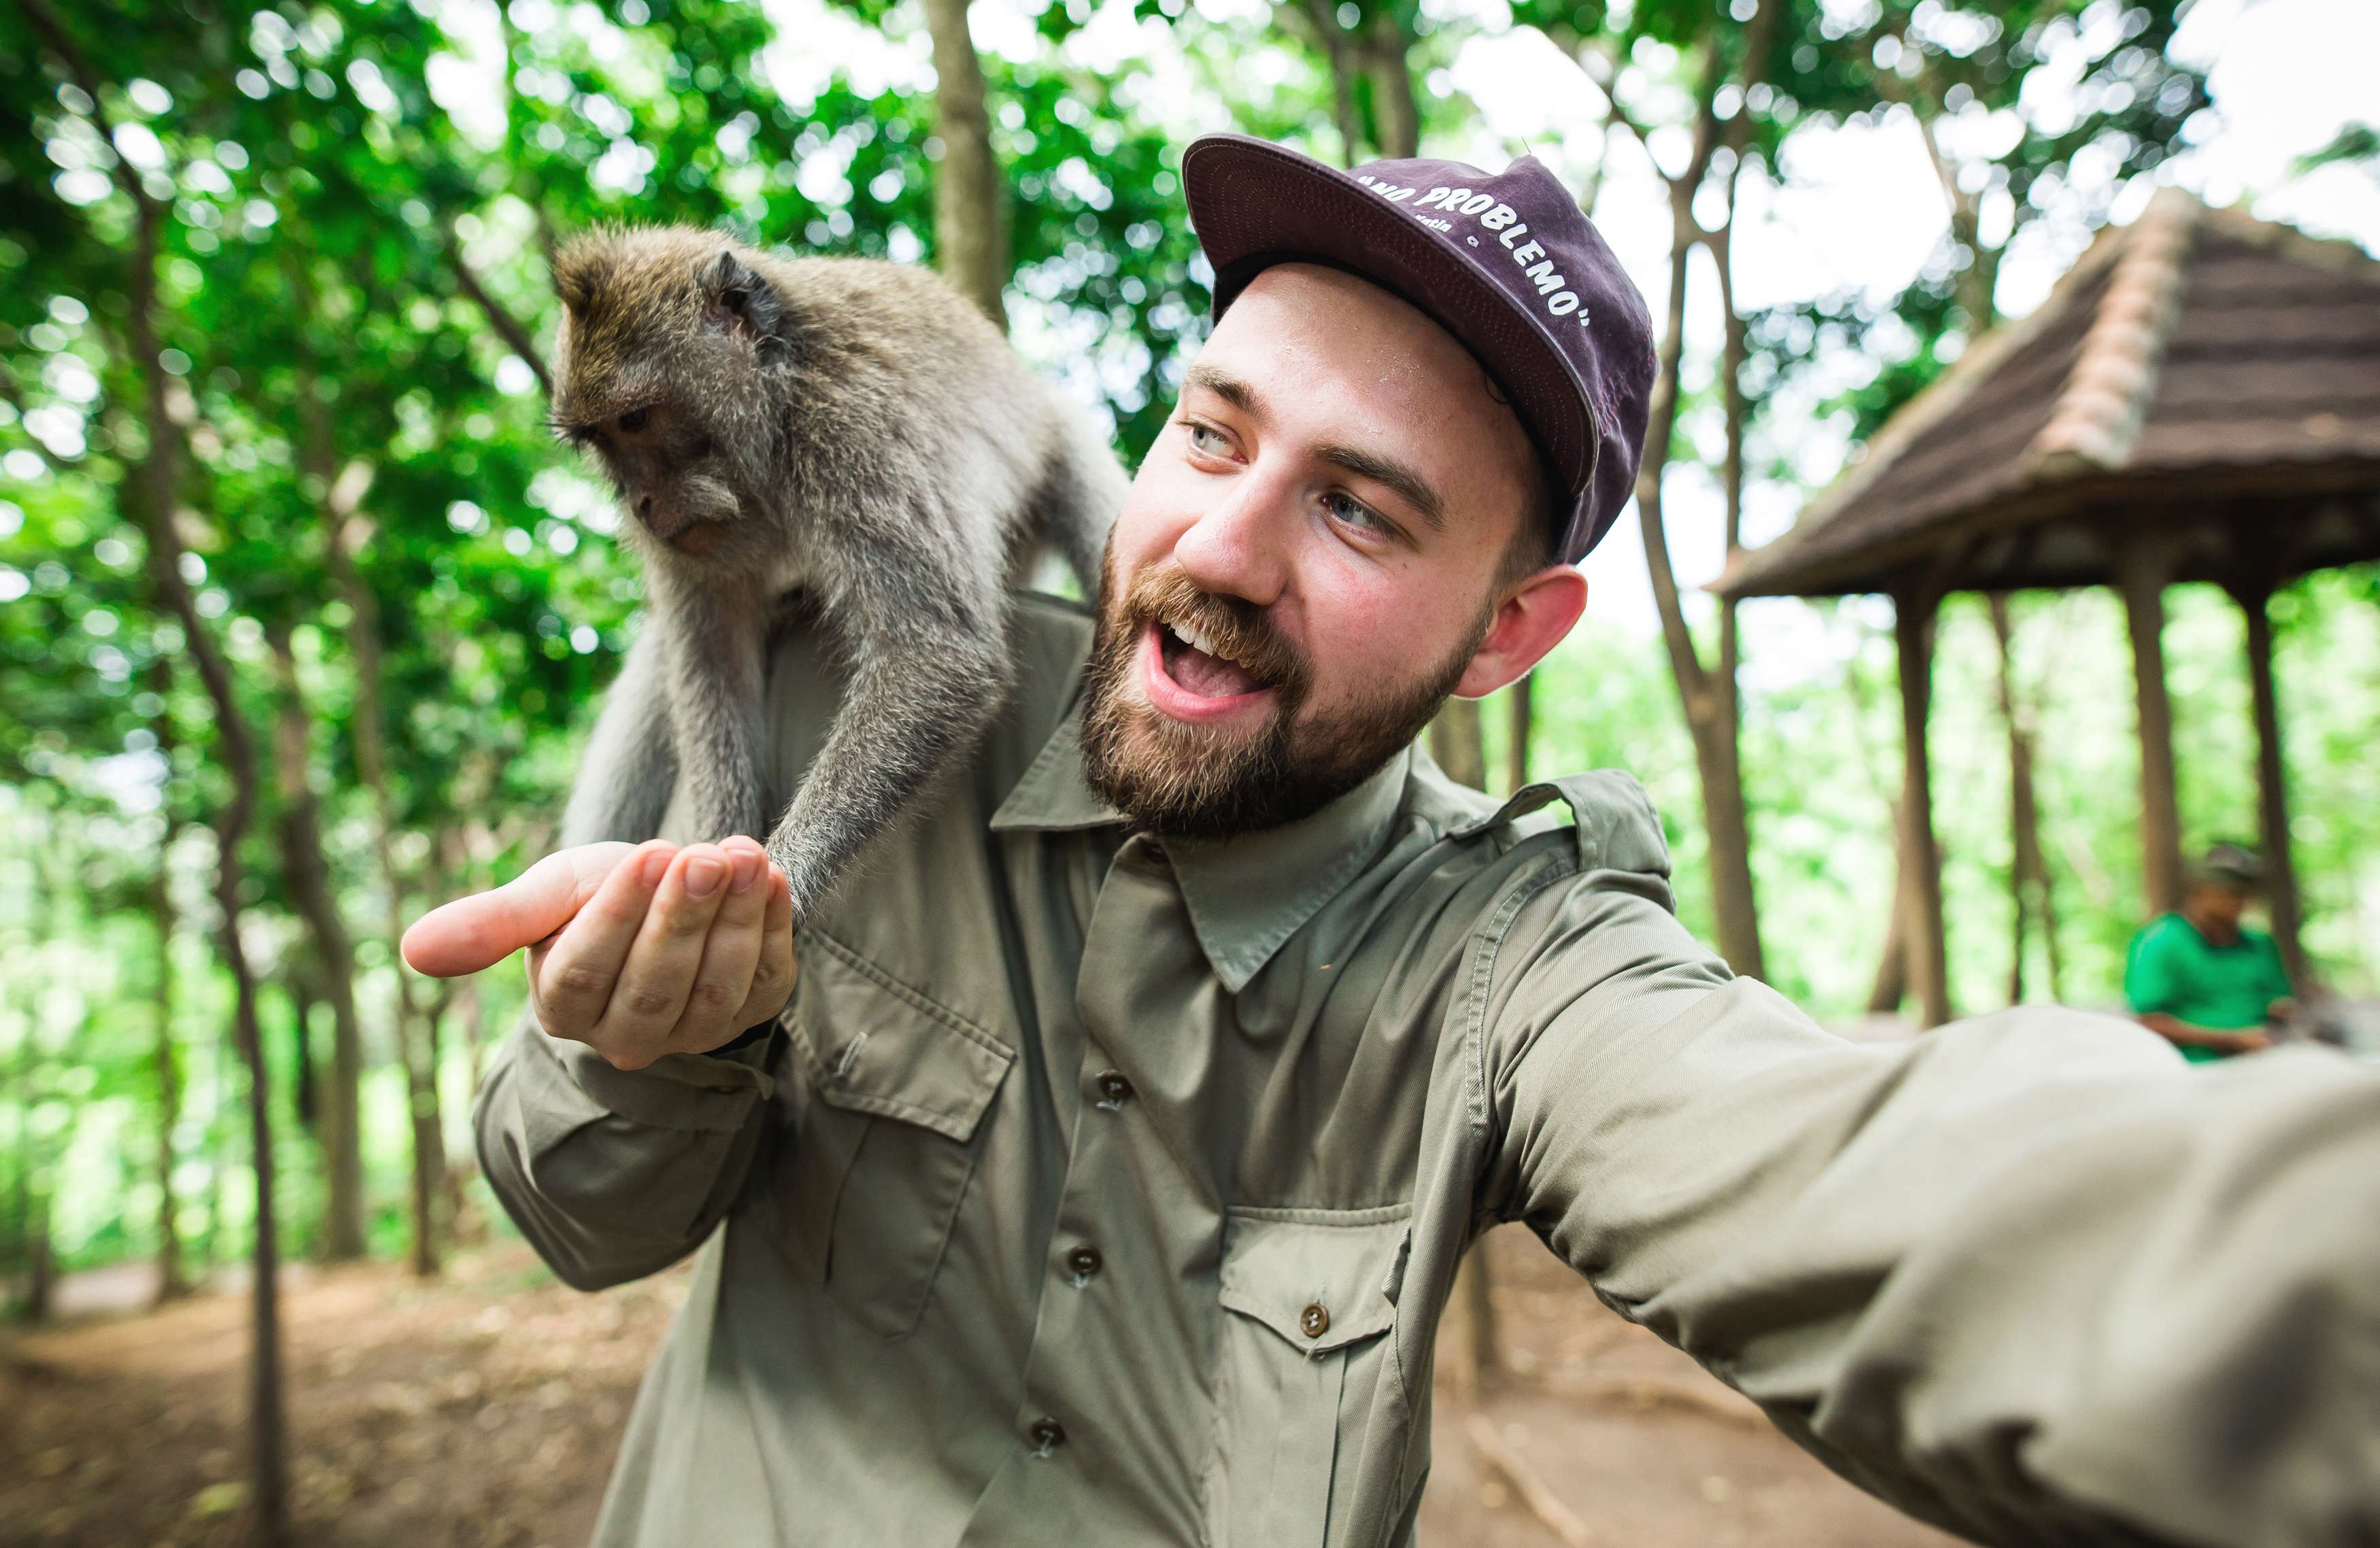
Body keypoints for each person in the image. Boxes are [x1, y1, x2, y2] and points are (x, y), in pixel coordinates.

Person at [402, 136, 2380, 1548]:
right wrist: (629, 1037)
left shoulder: (1509, 965)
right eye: (1207, 433)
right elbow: (580, 1219)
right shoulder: (857, 673)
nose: (1218, 553)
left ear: (1501, 636)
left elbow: (1887, 1183)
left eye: (1358, 512)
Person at [2126, 844, 2298, 1062]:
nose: (2240, 901)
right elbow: (2150, 1021)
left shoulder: (2259, 944)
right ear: (2199, 890)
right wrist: (2232, 1039)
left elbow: (2277, 999)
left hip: (2265, 1059)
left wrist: (2281, 1011)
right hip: (2195, 1069)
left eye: (2246, 891)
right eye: (2231, 891)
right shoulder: (2161, 941)